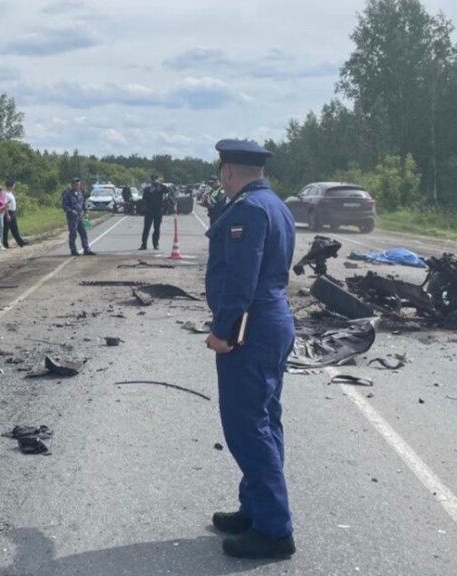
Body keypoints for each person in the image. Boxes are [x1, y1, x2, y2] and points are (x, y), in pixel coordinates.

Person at [204, 139, 296, 559]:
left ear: (228, 171)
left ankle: (275, 531)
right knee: (264, 418)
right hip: (272, 322)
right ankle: (256, 510)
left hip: (250, 328)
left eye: (220, 170)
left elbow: (241, 278)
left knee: (247, 427)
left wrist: (223, 331)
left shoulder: (247, 211)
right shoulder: (276, 205)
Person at [61, 177, 96, 256]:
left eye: (78, 184)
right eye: (76, 184)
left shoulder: (80, 193)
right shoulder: (68, 194)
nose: (77, 186)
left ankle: (86, 249)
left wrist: (86, 211)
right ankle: (73, 250)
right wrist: (71, 210)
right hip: (72, 218)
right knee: (73, 234)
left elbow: (83, 203)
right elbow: (64, 205)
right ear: (72, 185)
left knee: (84, 233)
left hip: (81, 217)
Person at [140, 174, 166, 250]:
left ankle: (156, 244)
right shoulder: (147, 188)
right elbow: (144, 197)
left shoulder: (160, 187)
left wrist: (160, 184)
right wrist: (151, 191)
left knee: (157, 228)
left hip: (158, 210)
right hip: (149, 210)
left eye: (155, 179)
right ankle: (144, 244)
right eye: (153, 180)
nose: (154, 181)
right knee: (146, 228)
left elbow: (166, 191)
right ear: (151, 181)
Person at [2, 178, 28, 248]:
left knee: (14, 228)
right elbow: (5, 204)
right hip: (8, 212)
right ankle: (5, 244)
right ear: (11, 185)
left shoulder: (10, 192)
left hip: (13, 212)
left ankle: (20, 242)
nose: (14, 186)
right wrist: (7, 215)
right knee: (6, 229)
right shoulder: (4, 193)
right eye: (13, 185)